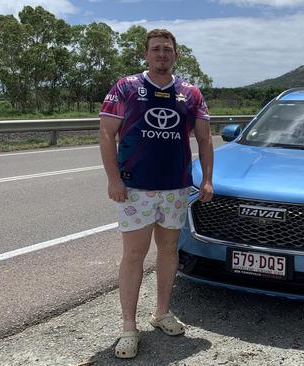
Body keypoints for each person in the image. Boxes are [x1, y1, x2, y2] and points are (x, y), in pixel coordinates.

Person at [98, 28, 214, 359]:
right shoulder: (126, 87)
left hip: (176, 187)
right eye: (155, 49)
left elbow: (205, 140)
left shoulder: (190, 93)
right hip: (136, 188)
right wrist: (114, 179)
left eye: (167, 49)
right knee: (134, 255)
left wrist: (206, 179)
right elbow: (106, 134)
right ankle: (128, 327)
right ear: (146, 54)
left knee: (168, 250)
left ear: (175, 54)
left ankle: (162, 312)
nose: (161, 54)